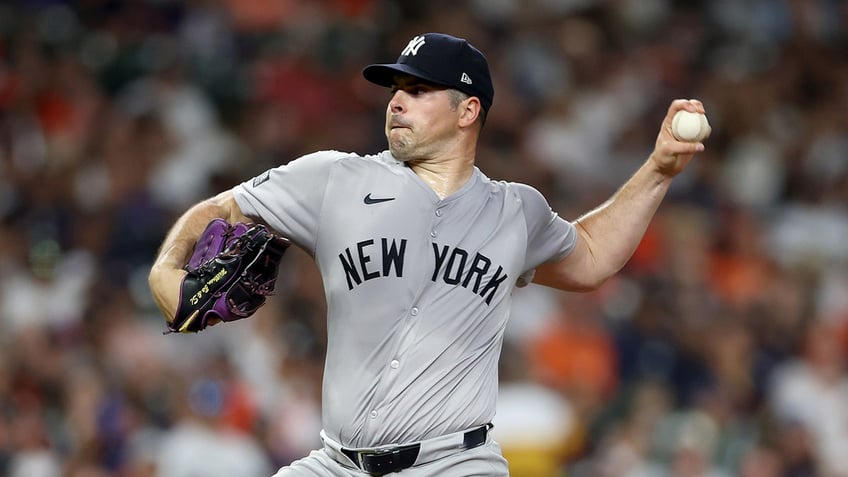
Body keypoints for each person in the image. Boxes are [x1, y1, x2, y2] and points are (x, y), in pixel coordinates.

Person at [148, 32, 708, 476]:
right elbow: (218, 211)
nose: (396, 102)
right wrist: (166, 270)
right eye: (395, 89)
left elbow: (590, 257)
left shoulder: (515, 211)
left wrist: (657, 170)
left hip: (456, 464)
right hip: (337, 464)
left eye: (417, 91)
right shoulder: (332, 179)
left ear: (467, 111)